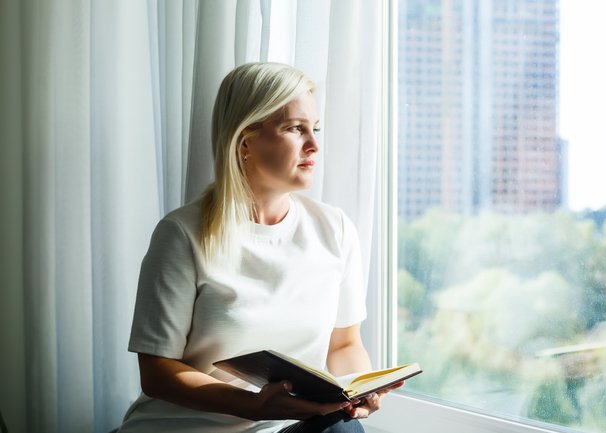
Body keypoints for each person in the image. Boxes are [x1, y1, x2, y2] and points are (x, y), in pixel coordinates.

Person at [116, 62, 402, 433]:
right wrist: (254, 406)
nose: (314, 144)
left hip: (281, 429)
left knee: (342, 427)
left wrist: (361, 388)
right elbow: (157, 373)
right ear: (245, 141)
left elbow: (345, 344)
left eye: (314, 129)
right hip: (183, 428)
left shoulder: (334, 229)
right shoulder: (182, 234)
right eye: (295, 129)